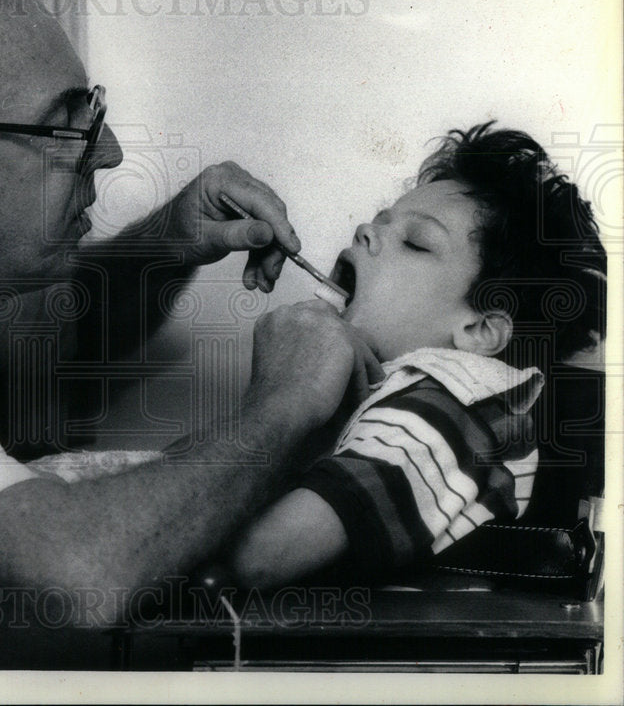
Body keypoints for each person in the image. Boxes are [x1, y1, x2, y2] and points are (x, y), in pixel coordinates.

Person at [0, 0, 380, 668]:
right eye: (70, 127)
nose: (111, 152)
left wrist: (167, 243)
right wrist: (289, 399)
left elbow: (56, 338)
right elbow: (82, 576)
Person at [230, 123, 607, 588]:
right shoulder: (403, 398)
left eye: (416, 242)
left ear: (479, 330)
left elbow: (257, 558)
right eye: (378, 221)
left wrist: (278, 393)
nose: (365, 230)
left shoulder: (447, 406)